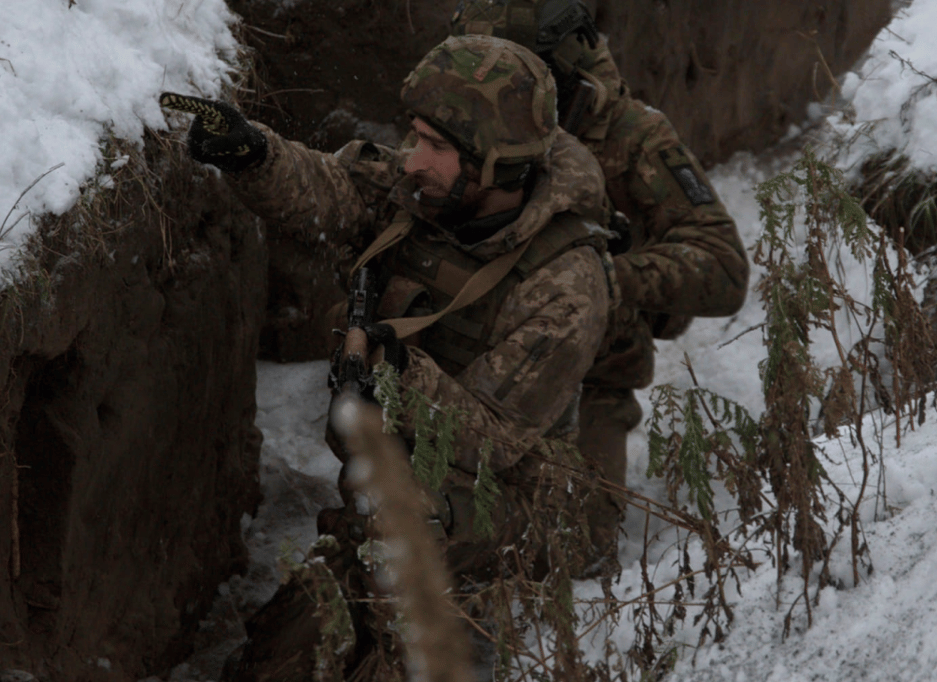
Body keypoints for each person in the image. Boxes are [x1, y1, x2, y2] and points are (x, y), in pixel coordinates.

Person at [161, 33, 615, 680]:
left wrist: (399, 372)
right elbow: (328, 192)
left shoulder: (566, 284)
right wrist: (252, 154)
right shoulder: (426, 191)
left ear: (497, 167)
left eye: (435, 147)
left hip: (506, 499)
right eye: (414, 137)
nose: (411, 160)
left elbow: (496, 443)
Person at [450, 0, 750, 558]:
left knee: (569, 550)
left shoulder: (634, 138)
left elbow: (723, 270)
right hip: (474, 366)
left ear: (559, 62)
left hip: (590, 380)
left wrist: (600, 279)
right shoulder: (474, 116)